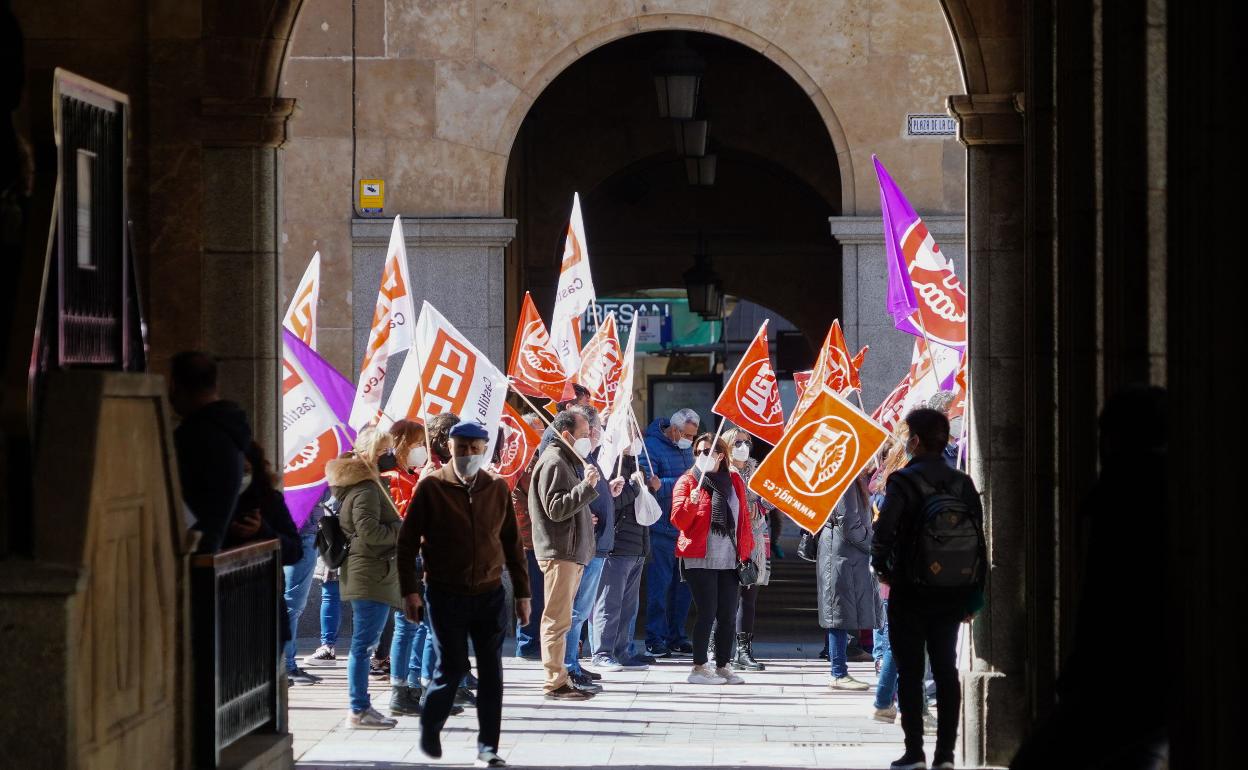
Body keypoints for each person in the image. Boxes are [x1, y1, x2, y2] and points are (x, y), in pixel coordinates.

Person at [1010, 386, 1168, 770]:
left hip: (1115, 675)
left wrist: (1080, 668)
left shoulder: (1120, 491)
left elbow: (1104, 596)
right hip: (1148, 676)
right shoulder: (1169, 486)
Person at [398, 419, 531, 769]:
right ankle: (431, 724)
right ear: (451, 448)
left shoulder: (497, 489)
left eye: (475, 448)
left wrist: (522, 593)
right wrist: (410, 591)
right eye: (462, 448)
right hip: (444, 593)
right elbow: (406, 542)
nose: (468, 454)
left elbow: (512, 545)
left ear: (484, 449)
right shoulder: (431, 488)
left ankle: (488, 747)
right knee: (452, 666)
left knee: (492, 673)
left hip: (488, 594)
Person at [872, 408, 986, 770]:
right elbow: (979, 542)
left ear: (915, 440)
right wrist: (974, 594)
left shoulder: (902, 481)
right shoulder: (963, 483)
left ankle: (914, 753)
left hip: (910, 588)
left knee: (909, 669)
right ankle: (946, 757)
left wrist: (883, 569)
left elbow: (883, 533)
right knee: (945, 669)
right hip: (952, 590)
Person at [326, 426, 404, 729]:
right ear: (374, 453)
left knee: (364, 643)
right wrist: (402, 530)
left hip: (372, 572)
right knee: (363, 645)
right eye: (385, 450)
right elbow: (370, 533)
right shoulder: (366, 489)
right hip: (370, 572)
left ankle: (361, 707)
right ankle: (358, 709)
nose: (390, 455)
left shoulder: (367, 485)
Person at [226, 442, 315, 687]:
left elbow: (294, 550)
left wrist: (262, 531)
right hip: (224, 605)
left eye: (245, 469)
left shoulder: (269, 501)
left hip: (262, 603)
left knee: (260, 684)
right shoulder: (214, 501)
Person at [670, 432, 754, 685]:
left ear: (720, 455)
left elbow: (743, 521)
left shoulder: (734, 481)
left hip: (729, 558)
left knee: (728, 614)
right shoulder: (688, 481)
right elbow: (678, 521)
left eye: (707, 452)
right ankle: (698, 668)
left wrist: (745, 552)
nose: (702, 456)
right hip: (699, 557)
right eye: (698, 452)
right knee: (707, 611)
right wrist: (691, 503)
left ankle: (723, 665)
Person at [528, 408, 600, 700]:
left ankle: (560, 677)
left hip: (569, 552)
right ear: (567, 434)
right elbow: (555, 509)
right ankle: (554, 681)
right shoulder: (555, 460)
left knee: (563, 620)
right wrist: (587, 487)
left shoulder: (565, 460)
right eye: (584, 434)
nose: (588, 439)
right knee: (557, 620)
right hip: (560, 552)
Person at [562, 404, 624, 692]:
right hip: (587, 546)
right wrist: (586, 514)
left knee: (582, 610)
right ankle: (568, 664)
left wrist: (608, 493)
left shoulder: (589, 458)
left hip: (598, 545)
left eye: (595, 429)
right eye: (591, 429)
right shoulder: (571, 460)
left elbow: (591, 493)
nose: (596, 433)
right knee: (576, 611)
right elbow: (565, 500)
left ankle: (573, 660)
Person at [169, 350, 252, 553]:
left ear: (177, 386)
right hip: (211, 548)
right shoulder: (228, 429)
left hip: (193, 551)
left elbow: (178, 498)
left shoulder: (197, 435)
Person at [591, 429, 652, 671]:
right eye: (630, 435)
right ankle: (602, 652)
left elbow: (643, 504)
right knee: (609, 604)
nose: (635, 440)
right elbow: (607, 504)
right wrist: (634, 488)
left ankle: (622, 650)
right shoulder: (607, 467)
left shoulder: (636, 466)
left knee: (627, 606)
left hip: (636, 545)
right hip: (616, 546)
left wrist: (648, 486)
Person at [642, 408, 700, 657]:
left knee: (684, 587)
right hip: (662, 528)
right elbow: (648, 484)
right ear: (674, 430)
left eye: (693, 436)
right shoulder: (650, 447)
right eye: (687, 434)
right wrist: (683, 483)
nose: (690, 440)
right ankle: (655, 637)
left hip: (686, 529)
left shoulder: (688, 448)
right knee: (659, 586)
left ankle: (677, 635)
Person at [817, 469, 879, 691]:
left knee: (841, 611)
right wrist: (873, 544)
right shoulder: (845, 479)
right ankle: (838, 671)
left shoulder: (853, 478)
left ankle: (840, 670)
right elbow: (849, 521)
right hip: (840, 553)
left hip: (844, 552)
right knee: (838, 613)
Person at [722, 428, 771, 671]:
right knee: (724, 598)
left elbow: (773, 495)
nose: (743, 446)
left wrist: (760, 506)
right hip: (727, 540)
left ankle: (744, 651)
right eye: (737, 442)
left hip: (754, 539)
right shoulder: (720, 471)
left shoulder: (758, 470)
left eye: (746, 442)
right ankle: (715, 648)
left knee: (748, 596)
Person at [512, 412, 547, 660]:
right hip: (526, 540)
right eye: (537, 431)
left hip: (539, 540)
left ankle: (534, 642)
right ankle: (526, 644)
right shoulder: (520, 461)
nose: (542, 436)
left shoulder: (537, 458)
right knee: (530, 594)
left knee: (541, 595)